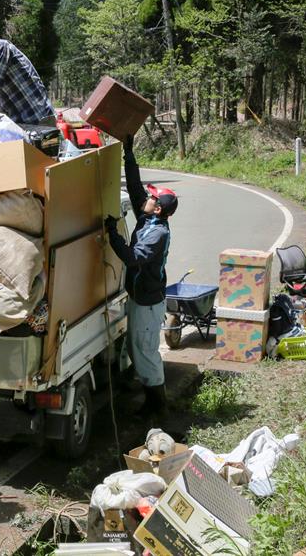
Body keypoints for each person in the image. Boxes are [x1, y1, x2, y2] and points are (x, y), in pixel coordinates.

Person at [105, 135, 178, 417]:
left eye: (151, 198)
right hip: (140, 298)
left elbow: (133, 257)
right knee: (138, 349)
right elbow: (135, 187)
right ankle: (151, 398)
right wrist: (129, 152)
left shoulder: (157, 233)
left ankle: (158, 405)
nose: (145, 199)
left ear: (158, 208)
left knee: (145, 352)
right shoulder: (149, 218)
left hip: (148, 302)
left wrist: (112, 233)